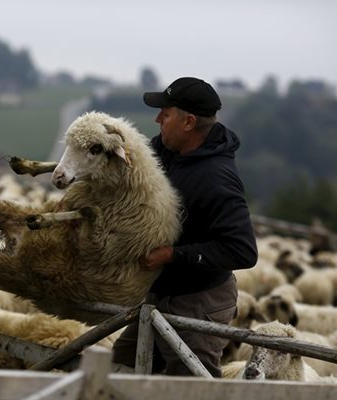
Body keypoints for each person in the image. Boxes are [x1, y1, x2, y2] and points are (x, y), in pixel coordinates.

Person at [112, 77, 258, 377]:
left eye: (165, 114)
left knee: (190, 383)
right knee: (124, 363)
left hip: (198, 299)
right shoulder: (166, 151)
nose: (157, 120)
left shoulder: (217, 179)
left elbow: (243, 250)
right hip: (161, 292)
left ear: (188, 122)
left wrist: (172, 255)